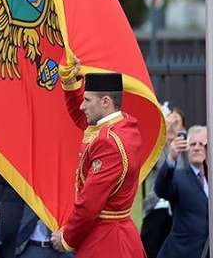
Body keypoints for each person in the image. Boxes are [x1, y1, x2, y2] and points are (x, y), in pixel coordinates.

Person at [50, 61, 145, 258]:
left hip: (107, 243)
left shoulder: (108, 142)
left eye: (87, 100)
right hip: (118, 235)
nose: (82, 106)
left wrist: (67, 238)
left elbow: (89, 204)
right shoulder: (123, 124)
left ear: (105, 102)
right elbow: (83, 118)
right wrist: (70, 83)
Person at [154, 125, 209, 258]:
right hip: (183, 252)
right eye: (193, 144)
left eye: (202, 144)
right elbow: (161, 189)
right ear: (186, 148)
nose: (197, 147)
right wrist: (171, 158)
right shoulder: (178, 177)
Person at [141, 105, 187, 258]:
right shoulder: (160, 146)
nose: (172, 126)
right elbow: (157, 165)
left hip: (180, 210)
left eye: (177, 122)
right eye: (170, 121)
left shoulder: (189, 149)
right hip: (158, 206)